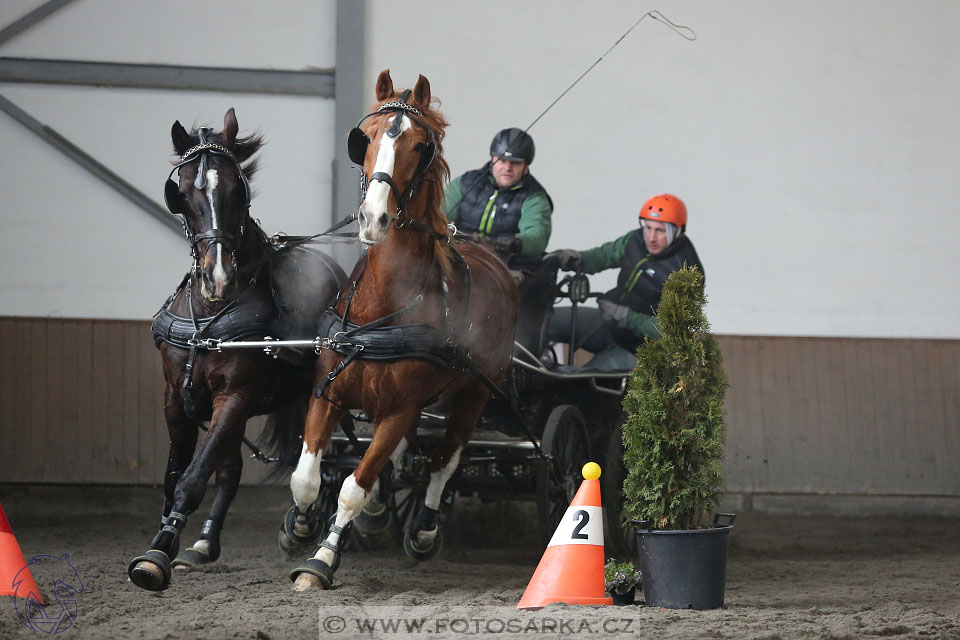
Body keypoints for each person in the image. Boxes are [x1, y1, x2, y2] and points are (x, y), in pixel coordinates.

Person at [546, 193, 704, 371]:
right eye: (648, 227)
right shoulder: (635, 240)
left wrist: (626, 317)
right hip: (610, 324)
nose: (651, 238)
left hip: (640, 350)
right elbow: (605, 255)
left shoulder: (686, 274)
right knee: (546, 321)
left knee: (577, 383)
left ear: (677, 231)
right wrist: (577, 259)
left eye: (660, 231)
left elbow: (671, 330)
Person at [443, 128, 552, 270]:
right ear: (492, 159)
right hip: (459, 256)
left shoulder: (534, 197)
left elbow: (537, 234)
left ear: (526, 166)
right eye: (502, 160)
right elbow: (437, 213)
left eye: (516, 163)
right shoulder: (465, 183)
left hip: (505, 265)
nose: (507, 168)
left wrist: (518, 242)